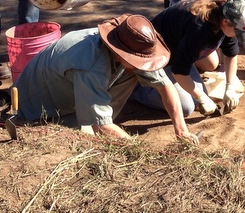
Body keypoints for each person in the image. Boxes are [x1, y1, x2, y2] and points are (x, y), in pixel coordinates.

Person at [12, 13, 198, 144]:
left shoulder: (126, 41)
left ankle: (97, 108)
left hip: (70, 91)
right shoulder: (90, 64)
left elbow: (165, 86)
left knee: (137, 77)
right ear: (121, 54)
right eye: (137, 61)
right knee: (87, 138)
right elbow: (102, 127)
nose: (144, 65)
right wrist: (139, 149)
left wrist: (182, 131)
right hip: (37, 110)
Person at [131, 0, 245, 117]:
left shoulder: (225, 18)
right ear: (225, 22)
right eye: (238, 33)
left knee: (200, 89)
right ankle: (135, 90)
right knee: (186, 107)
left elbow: (231, 54)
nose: (237, 36)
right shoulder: (200, 29)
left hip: (178, 49)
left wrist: (230, 87)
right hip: (155, 56)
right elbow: (179, 71)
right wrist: (201, 97)